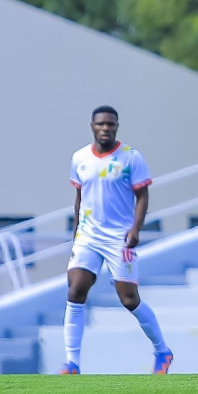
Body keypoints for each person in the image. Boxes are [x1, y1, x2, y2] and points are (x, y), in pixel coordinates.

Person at [59, 106, 172, 375]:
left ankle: (162, 351)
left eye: (111, 124)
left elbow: (142, 196)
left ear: (117, 127)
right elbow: (79, 196)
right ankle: (72, 363)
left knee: (129, 299)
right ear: (92, 126)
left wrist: (135, 228)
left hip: (119, 239)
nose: (106, 128)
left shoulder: (131, 157)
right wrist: (76, 233)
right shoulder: (80, 158)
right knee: (75, 291)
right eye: (101, 124)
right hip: (88, 236)